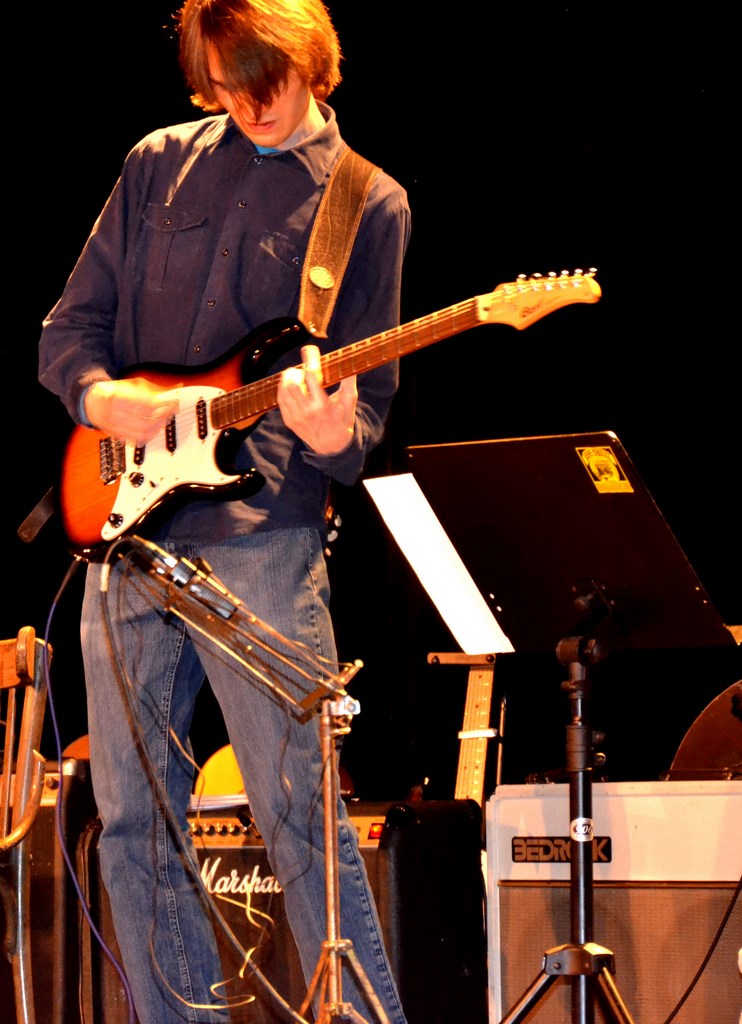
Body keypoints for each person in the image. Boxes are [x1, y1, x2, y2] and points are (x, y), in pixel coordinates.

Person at [38, 1, 410, 1021]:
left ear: (313, 64)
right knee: (131, 826)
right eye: (220, 83)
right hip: (127, 532)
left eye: (265, 81)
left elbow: (360, 422)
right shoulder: (158, 162)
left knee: (302, 822)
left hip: (265, 541)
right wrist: (126, 404)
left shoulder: (365, 203)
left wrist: (332, 429)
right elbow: (69, 333)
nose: (244, 103)